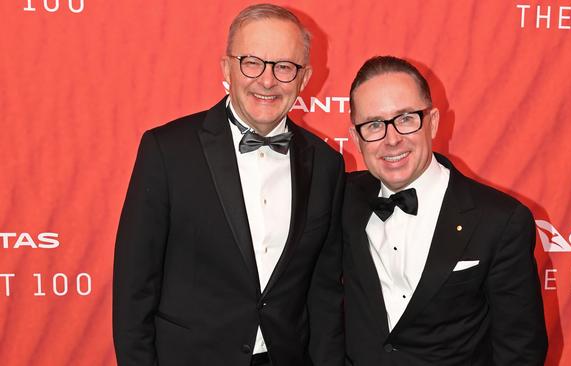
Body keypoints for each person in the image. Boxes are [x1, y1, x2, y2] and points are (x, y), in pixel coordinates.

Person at [113, 4, 345, 366]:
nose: (267, 81)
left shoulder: (327, 165)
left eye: (284, 67)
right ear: (227, 68)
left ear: (304, 77)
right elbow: (134, 289)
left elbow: (325, 293)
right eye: (251, 62)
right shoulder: (167, 150)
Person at [343, 56, 548, 365]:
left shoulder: (499, 220)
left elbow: (520, 349)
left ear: (433, 122)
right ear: (356, 138)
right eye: (373, 125)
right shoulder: (339, 199)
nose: (392, 139)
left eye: (406, 118)